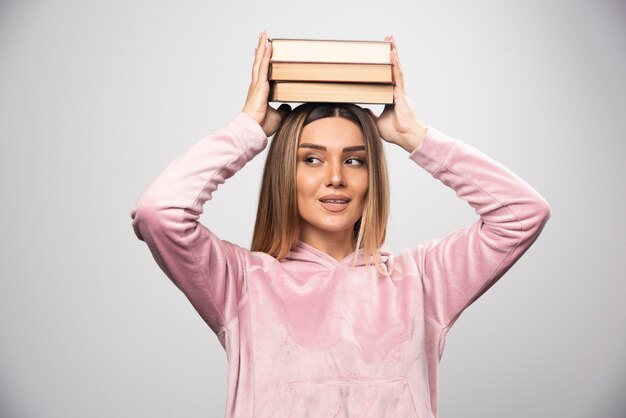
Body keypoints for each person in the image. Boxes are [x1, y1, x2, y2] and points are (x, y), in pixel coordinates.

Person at [130, 31, 551, 418]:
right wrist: (248, 130)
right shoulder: (242, 284)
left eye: (354, 160)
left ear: (372, 177)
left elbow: (522, 213)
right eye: (311, 159)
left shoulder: (421, 281)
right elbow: (161, 212)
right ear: (285, 173)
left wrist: (414, 135)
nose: (335, 176)